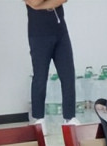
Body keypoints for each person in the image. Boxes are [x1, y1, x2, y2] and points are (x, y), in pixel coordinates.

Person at [25, 0, 79, 134]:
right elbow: (34, 2)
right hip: (38, 34)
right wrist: (50, 4)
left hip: (60, 32)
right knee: (40, 77)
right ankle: (39, 118)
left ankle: (69, 117)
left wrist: (43, 6)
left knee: (68, 75)